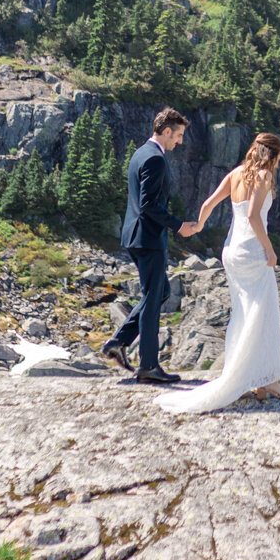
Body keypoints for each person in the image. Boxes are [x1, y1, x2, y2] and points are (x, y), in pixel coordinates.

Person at [157, 132, 280, 414]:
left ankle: (253, 376)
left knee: (243, 312)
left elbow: (208, 204)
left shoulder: (237, 173)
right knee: (263, 313)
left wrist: (199, 226)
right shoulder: (263, 176)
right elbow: (254, 216)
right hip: (252, 253)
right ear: (273, 155)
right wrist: (270, 250)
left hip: (231, 252)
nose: (279, 163)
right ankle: (268, 383)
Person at [100, 108, 200, 384]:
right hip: (148, 238)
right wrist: (179, 226)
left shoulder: (140, 153)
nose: (179, 141)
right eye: (178, 135)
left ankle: (117, 342)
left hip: (136, 236)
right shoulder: (155, 159)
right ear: (166, 131)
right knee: (154, 296)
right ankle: (148, 365)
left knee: (160, 291)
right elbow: (147, 204)